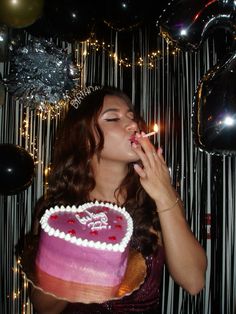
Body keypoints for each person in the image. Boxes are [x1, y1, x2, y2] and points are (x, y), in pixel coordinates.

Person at [29, 86, 207, 314]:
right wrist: (78, 250)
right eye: (113, 118)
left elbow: (194, 282)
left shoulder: (156, 202)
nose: (133, 125)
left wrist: (165, 194)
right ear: (84, 138)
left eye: (132, 116)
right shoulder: (55, 211)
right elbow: (44, 308)